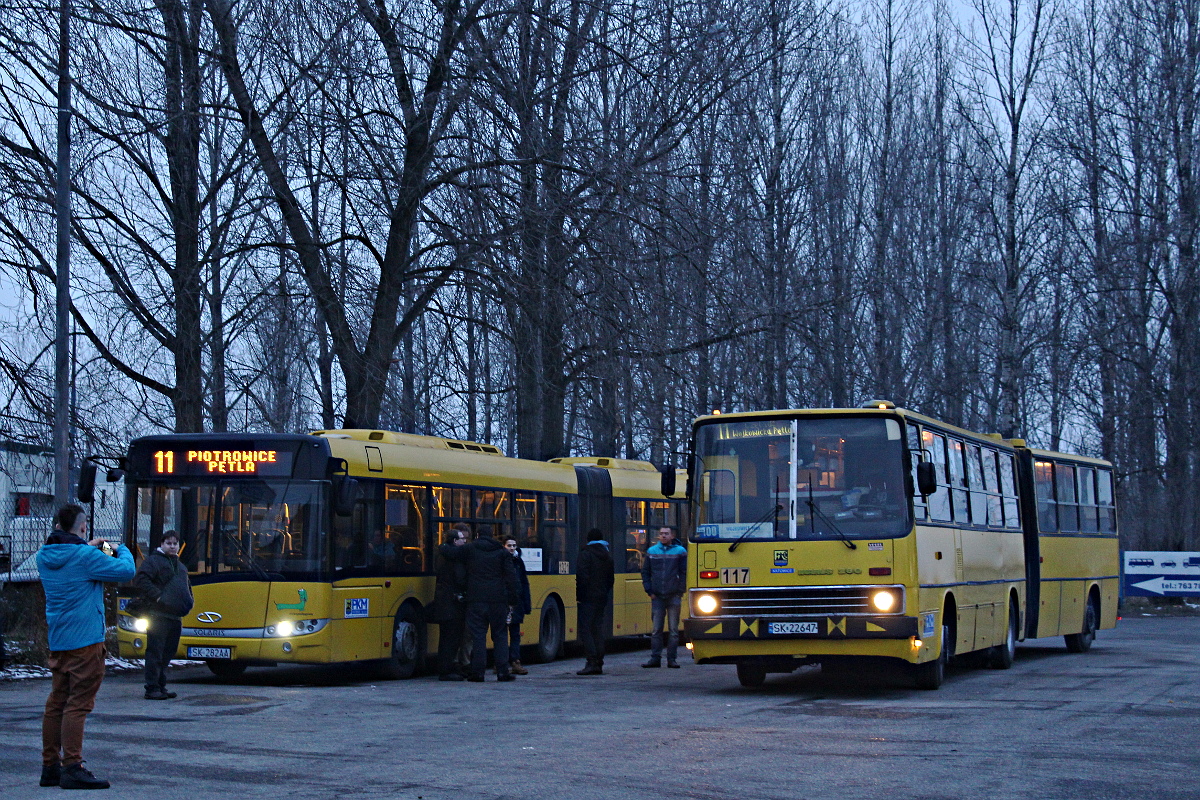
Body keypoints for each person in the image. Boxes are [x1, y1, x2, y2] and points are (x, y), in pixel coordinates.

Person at [36, 504, 135, 790]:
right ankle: (73, 766)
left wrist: (91, 546)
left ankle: (50, 766)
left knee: (57, 702)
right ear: (82, 526)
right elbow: (125, 569)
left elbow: (75, 551)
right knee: (78, 704)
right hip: (86, 642)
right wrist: (115, 546)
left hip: (59, 640)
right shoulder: (87, 556)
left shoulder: (45, 556)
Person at [449, 523, 519, 682]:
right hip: (498, 600)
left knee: (478, 636)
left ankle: (478, 673)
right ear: (492, 535)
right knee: (500, 635)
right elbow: (511, 578)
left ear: (478, 535)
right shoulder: (502, 552)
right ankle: (502, 672)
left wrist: (463, 589)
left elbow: (455, 560)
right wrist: (512, 600)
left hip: (476, 599)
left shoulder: (470, 549)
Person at [130, 531, 194, 699]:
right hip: (158, 615)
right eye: (169, 543)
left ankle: (161, 686)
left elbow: (186, 586)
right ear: (161, 544)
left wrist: (189, 600)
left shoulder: (180, 565)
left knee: (167, 652)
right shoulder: (153, 562)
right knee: (155, 652)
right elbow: (141, 579)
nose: (172, 546)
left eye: (175, 543)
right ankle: (152, 688)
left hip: (175, 617)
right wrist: (158, 596)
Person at [641, 526, 687, 668]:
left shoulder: (680, 552)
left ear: (672, 536)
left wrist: (680, 591)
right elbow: (646, 572)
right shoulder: (652, 552)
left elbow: (684, 572)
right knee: (656, 630)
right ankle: (656, 658)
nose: (663, 536)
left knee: (673, 630)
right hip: (658, 596)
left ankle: (671, 659)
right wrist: (650, 591)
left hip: (673, 595)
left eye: (666, 534)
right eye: (661, 534)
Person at [575, 528, 614, 676]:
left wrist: (580, 596)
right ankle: (599, 662)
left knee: (586, 629)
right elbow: (611, 579)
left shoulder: (585, 554)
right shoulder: (607, 556)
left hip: (588, 598)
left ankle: (591, 662)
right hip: (601, 597)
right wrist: (604, 592)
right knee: (597, 628)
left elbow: (582, 577)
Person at [433, 525, 469, 681]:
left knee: (446, 638)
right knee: (451, 638)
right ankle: (446, 670)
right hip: (452, 604)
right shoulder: (454, 558)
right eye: (462, 539)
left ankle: (447, 668)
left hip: (443, 602)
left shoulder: (442, 553)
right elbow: (460, 579)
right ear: (455, 541)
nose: (465, 542)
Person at [502, 537, 532, 675]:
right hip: (503, 602)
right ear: (504, 546)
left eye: (514, 545)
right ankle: (501, 662)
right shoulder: (501, 561)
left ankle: (515, 661)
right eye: (509, 545)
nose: (512, 548)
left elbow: (524, 583)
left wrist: (527, 604)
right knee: (501, 633)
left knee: (515, 634)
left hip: (517, 603)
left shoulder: (518, 561)